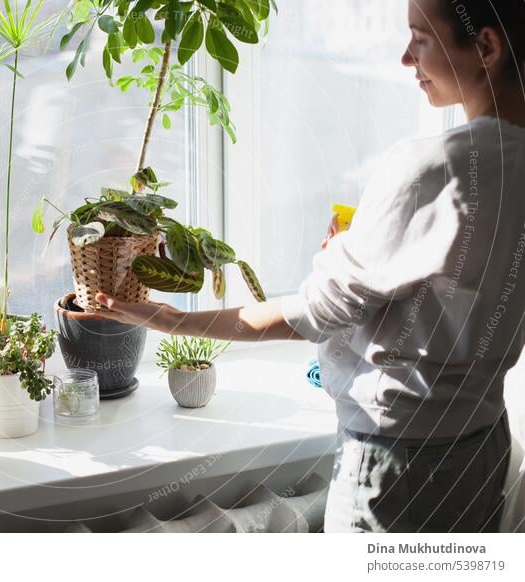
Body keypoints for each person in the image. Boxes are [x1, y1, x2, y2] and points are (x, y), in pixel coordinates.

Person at [94, 0, 525, 533]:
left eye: (420, 38)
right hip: (483, 449)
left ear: (486, 47)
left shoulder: (429, 169)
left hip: (397, 468)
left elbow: (317, 314)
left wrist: (170, 320)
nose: (404, 58)